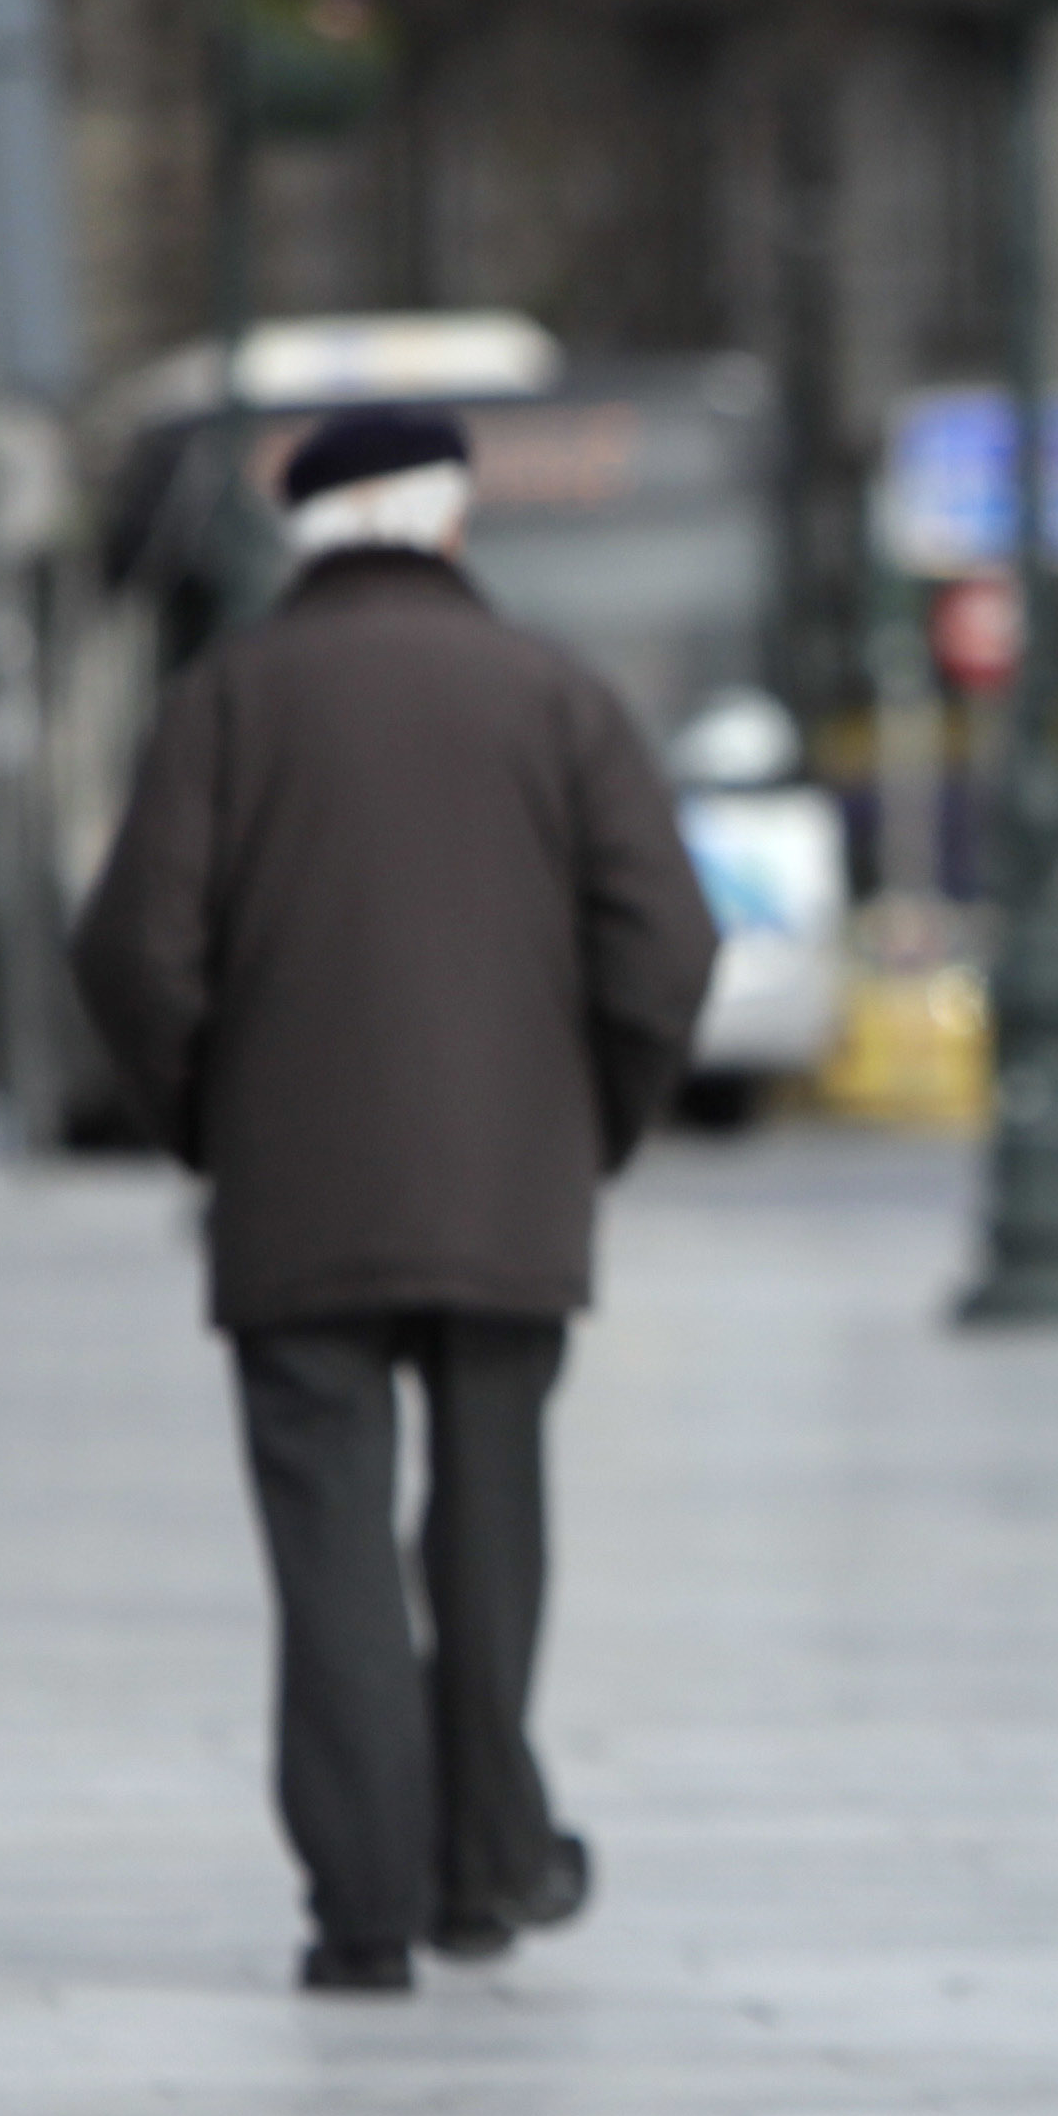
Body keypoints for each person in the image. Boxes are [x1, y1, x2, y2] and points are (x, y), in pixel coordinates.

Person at [74, 406, 717, 1996]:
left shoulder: (226, 699)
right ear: (448, 526)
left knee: (333, 1549)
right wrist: (591, 1128)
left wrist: (215, 1124)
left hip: (297, 1205)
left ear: (304, 536)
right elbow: (669, 948)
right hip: (512, 1198)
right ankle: (489, 1867)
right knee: (494, 1525)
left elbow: (131, 953)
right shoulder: (557, 697)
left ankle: (363, 1910)